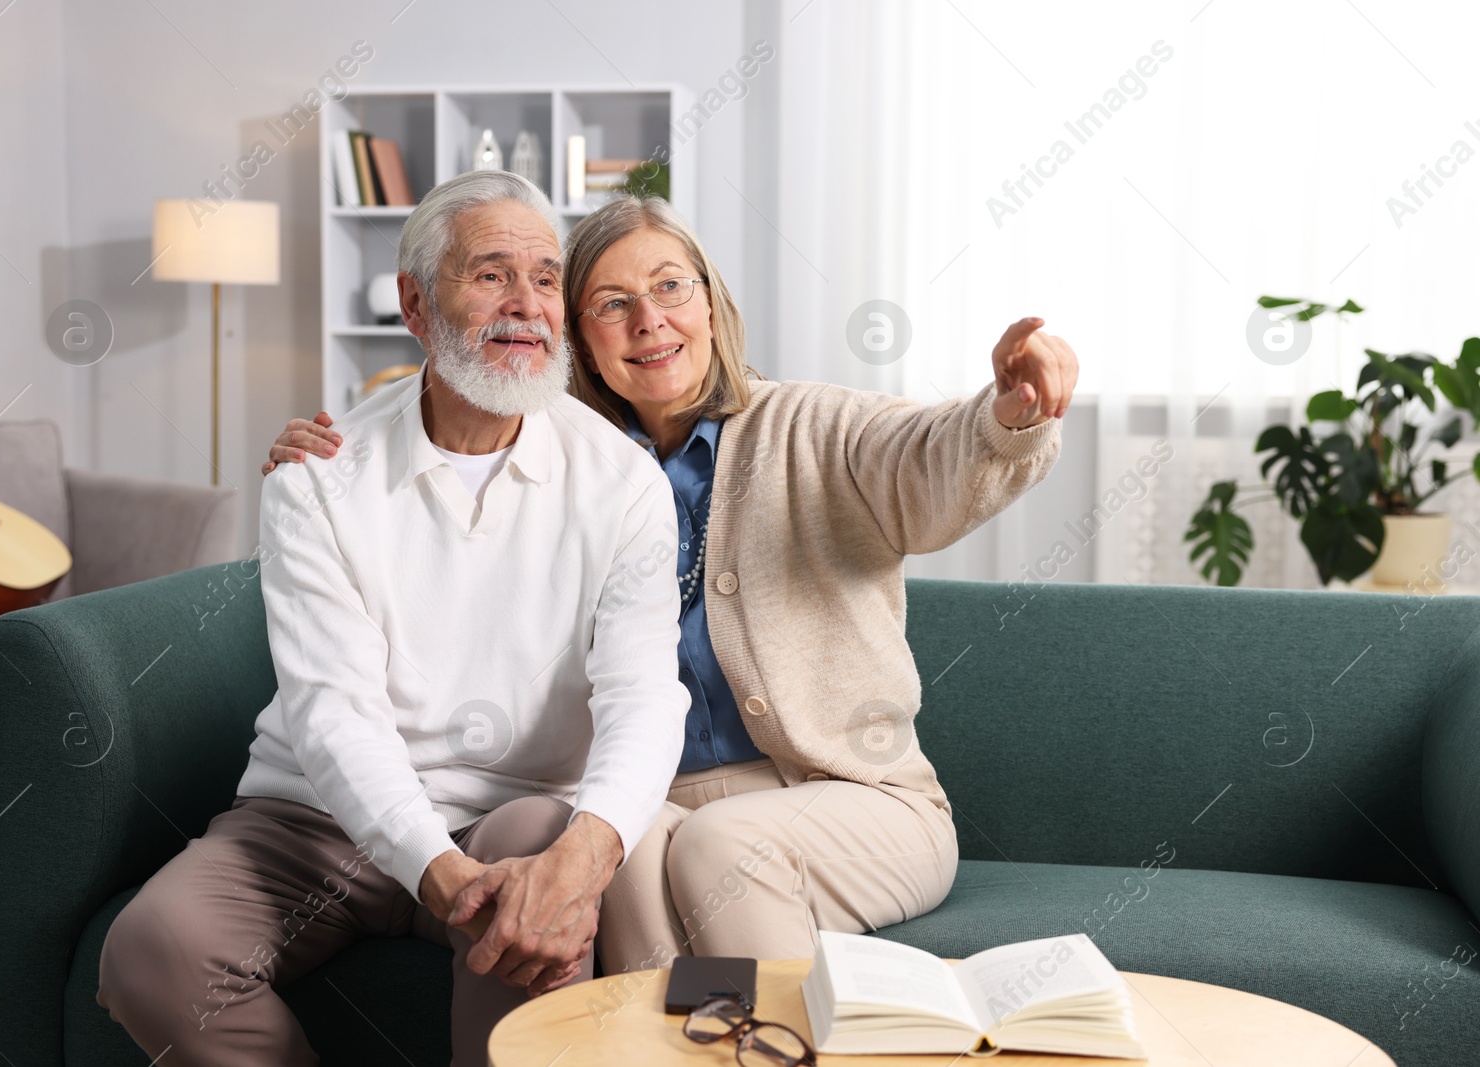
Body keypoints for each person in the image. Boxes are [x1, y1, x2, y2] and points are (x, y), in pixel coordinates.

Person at [264, 195, 1075, 976]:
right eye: (612, 303)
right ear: (576, 336)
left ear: (711, 305)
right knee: (620, 856)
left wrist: (1005, 416)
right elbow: (434, 489)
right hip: (664, 800)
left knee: (721, 846)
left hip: (849, 792)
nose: (649, 320)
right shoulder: (570, 461)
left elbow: (926, 458)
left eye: (670, 287)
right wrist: (330, 452)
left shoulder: (811, 428)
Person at [96, 171, 690, 1067]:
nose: (525, 303)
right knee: (150, 950)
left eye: (543, 276)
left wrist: (582, 857)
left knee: (537, 861)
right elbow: (334, 713)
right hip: (314, 823)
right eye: (490, 274)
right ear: (416, 304)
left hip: (512, 813)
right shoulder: (317, 477)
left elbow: (645, 693)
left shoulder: (623, 481)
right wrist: (443, 874)